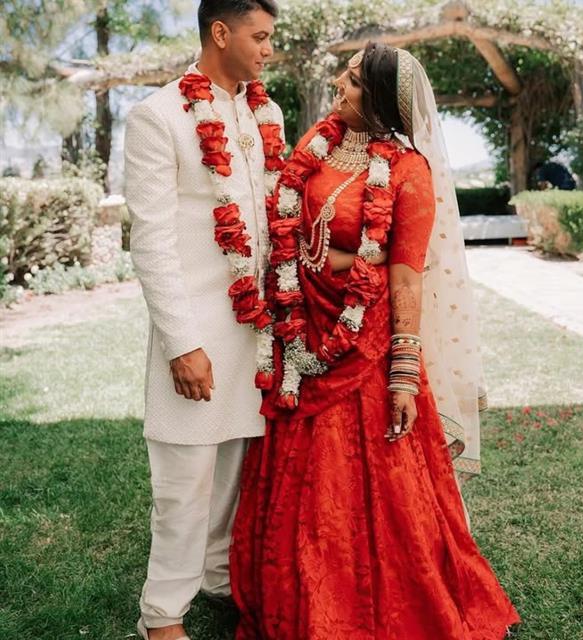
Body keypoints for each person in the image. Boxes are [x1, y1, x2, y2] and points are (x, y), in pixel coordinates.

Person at [230, 43, 521, 639]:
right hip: (301, 331)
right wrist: (309, 260)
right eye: (347, 74)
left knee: (372, 485)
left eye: (356, 82)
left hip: (364, 344)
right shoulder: (322, 143)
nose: (340, 83)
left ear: (383, 99)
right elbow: (290, 216)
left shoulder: (410, 172)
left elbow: (406, 273)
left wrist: (404, 372)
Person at [124, 1, 285, 638]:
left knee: (234, 473)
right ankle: (161, 614)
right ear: (221, 33)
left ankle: (218, 576)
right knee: (183, 479)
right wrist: (181, 343)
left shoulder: (264, 112)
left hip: (259, 331)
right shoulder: (158, 117)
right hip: (196, 329)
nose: (268, 50)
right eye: (260, 36)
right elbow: (152, 242)